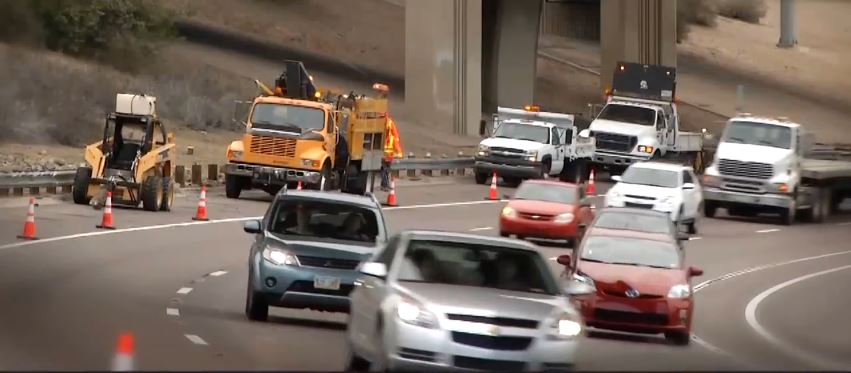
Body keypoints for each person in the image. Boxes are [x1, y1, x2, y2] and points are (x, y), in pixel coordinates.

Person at [381, 116, 403, 191]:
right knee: (386, 171)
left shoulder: (386, 137)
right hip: (388, 156)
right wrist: (399, 154)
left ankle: (384, 185)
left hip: (385, 156)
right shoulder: (392, 138)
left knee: (384, 171)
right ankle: (385, 185)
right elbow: (396, 145)